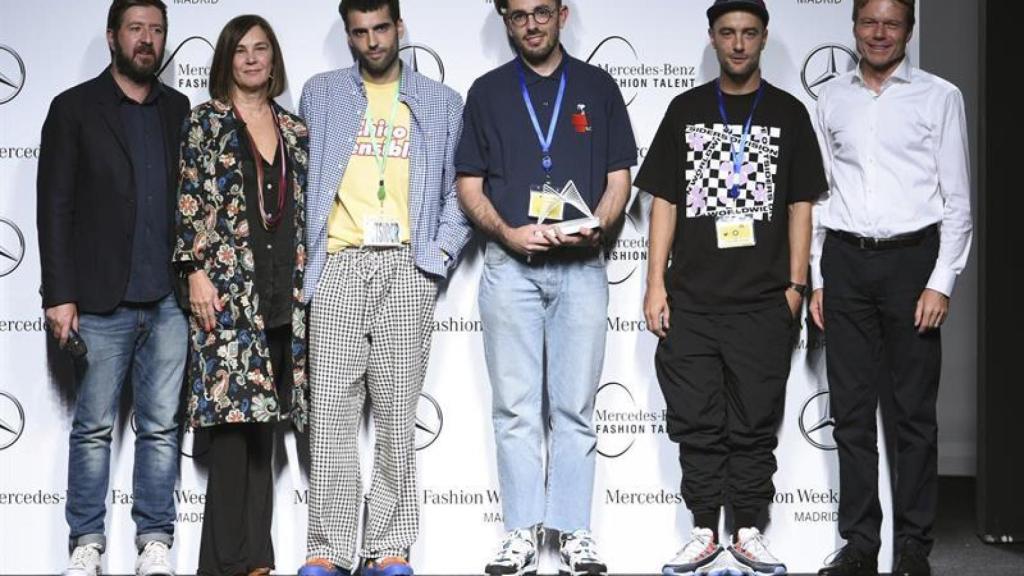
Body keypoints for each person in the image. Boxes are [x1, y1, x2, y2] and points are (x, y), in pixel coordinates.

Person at [634, 1, 827, 574]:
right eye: (727, 34)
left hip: (764, 301)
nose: (738, 44)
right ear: (712, 39)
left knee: (754, 420)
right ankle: (702, 529)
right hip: (692, 299)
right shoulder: (686, 110)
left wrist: (795, 286)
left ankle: (747, 529)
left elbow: (800, 205)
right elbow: (663, 201)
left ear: (764, 37)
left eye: (748, 33)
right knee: (695, 419)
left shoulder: (789, 115)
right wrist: (654, 285)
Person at [455, 1, 636, 575]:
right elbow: (468, 184)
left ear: (561, 14)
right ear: (506, 21)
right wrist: (507, 232)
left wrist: (596, 227)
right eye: (517, 16)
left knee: (575, 408)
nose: (530, 24)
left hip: (581, 266)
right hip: (510, 267)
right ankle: (521, 534)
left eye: (540, 12)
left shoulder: (598, 86)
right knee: (514, 410)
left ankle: (574, 532)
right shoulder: (485, 91)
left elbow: (618, 178)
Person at [296, 1, 471, 575]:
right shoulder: (320, 95)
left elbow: (461, 191)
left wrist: (435, 258)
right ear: (348, 35)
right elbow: (301, 181)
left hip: (405, 265)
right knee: (331, 410)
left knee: (398, 409)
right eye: (360, 32)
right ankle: (329, 547)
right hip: (341, 262)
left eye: (381, 29)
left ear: (399, 29)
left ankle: (390, 545)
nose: (372, 41)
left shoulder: (443, 103)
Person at [811, 1, 973, 575]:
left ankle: (912, 549)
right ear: (854, 27)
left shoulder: (939, 96)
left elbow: (958, 203)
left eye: (892, 23)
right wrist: (816, 275)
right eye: (868, 22)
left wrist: (941, 282)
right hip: (846, 263)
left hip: (913, 264)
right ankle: (860, 546)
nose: (879, 33)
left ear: (909, 29)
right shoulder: (830, 98)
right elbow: (824, 195)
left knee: (913, 417)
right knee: (851, 416)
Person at [36, 1, 190, 575]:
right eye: (136, 29)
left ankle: (154, 541)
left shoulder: (180, 110)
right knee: (94, 427)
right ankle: (86, 543)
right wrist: (58, 293)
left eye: (155, 30)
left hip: (170, 303)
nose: (146, 40)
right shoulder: (73, 109)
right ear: (112, 37)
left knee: (160, 427)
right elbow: (54, 206)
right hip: (99, 302)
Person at [172, 14, 309, 576]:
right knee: (232, 437)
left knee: (264, 436)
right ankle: (227, 563)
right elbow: (188, 200)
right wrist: (193, 270)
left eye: (262, 49)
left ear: (273, 58)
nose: (253, 59)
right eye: (241, 51)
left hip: (284, 301)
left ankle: (258, 558)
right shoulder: (204, 122)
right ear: (226, 60)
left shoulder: (295, 129)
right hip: (228, 300)